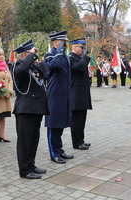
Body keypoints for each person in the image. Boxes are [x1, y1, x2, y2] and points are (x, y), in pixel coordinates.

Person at [12, 39, 48, 179]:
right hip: (25, 109)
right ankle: (24, 170)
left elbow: (46, 75)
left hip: (37, 108)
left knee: (33, 140)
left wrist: (42, 61)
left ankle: (31, 165)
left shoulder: (33, 67)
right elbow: (21, 70)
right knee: (25, 142)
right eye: (32, 52)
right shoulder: (17, 65)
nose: (35, 54)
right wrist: (30, 57)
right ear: (25, 54)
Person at [45, 31, 73, 164]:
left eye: (65, 42)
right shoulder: (49, 55)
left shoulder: (64, 56)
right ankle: (53, 153)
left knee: (61, 124)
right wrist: (60, 50)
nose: (65, 44)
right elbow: (54, 65)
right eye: (63, 42)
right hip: (54, 96)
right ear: (55, 42)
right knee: (53, 125)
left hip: (64, 95)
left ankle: (59, 150)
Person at [69, 38, 92, 150]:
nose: (83, 50)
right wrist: (85, 57)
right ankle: (76, 142)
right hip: (76, 94)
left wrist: (83, 58)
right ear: (74, 47)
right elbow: (80, 67)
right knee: (77, 120)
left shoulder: (79, 58)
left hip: (82, 93)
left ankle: (81, 140)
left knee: (82, 119)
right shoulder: (71, 58)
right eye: (81, 48)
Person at [0, 47, 12, 143]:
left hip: (5, 95)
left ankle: (2, 135)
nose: (2, 57)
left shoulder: (5, 66)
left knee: (2, 116)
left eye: (3, 54)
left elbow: (10, 79)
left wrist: (9, 91)